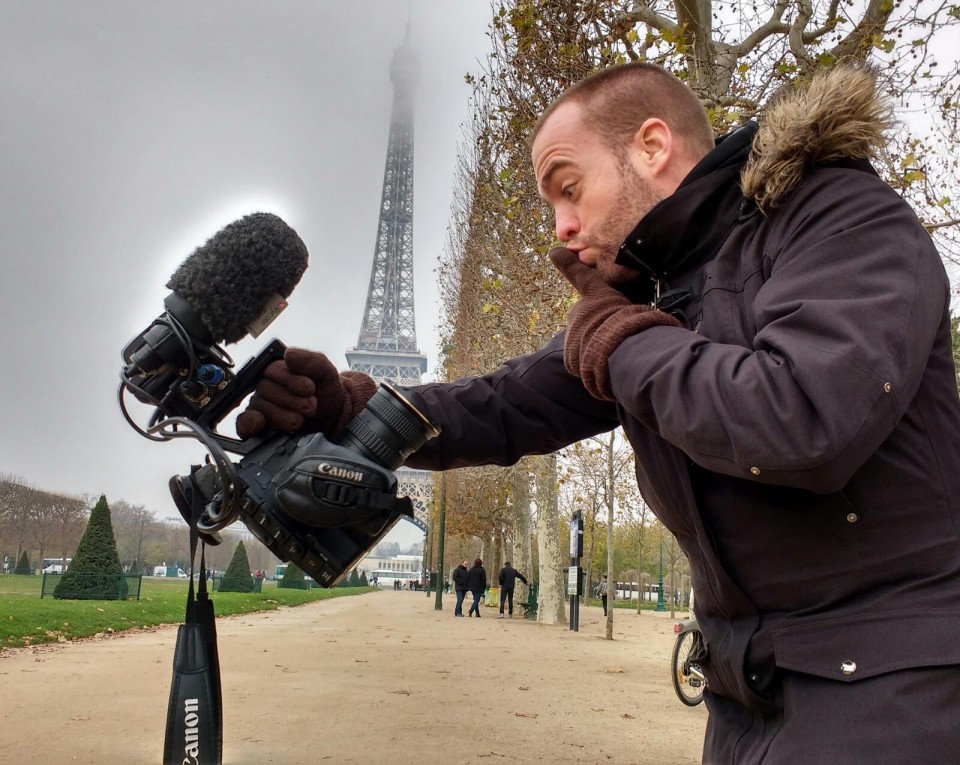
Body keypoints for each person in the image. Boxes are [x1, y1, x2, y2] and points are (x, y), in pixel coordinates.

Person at [235, 61, 960, 762]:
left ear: (650, 145)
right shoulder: (654, 300)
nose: (562, 226)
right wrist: (349, 407)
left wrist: (621, 338)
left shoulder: (840, 216)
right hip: (751, 692)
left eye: (569, 188)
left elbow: (803, 418)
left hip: (892, 681)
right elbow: (503, 405)